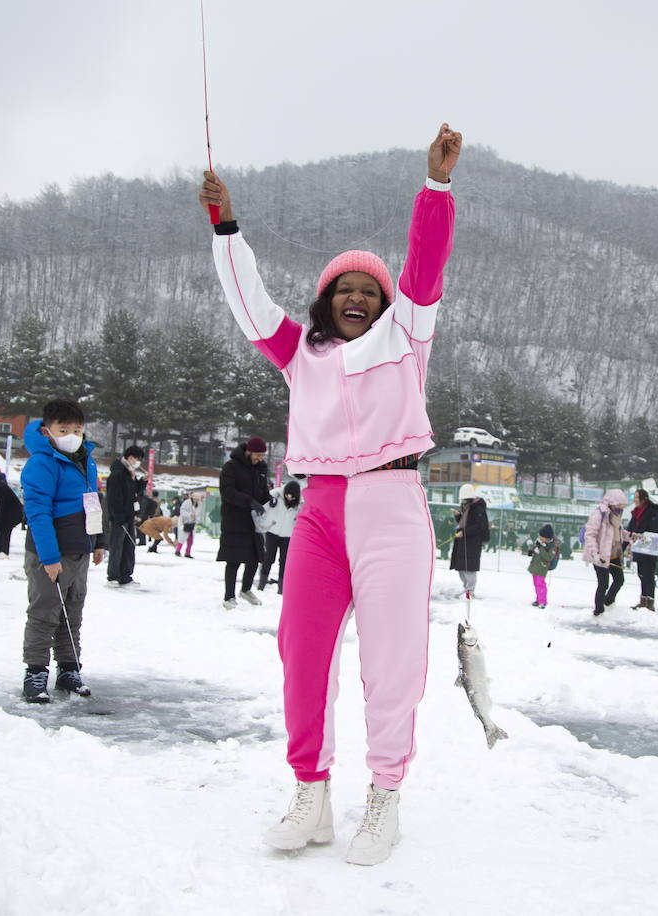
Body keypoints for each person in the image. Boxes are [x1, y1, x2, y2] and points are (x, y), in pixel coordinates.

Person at [200, 121, 461, 865]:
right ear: (325, 302)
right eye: (341, 289)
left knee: (392, 659)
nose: (353, 296)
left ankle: (384, 799)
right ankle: (311, 793)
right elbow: (249, 301)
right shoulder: (300, 353)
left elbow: (425, 266)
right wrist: (226, 227)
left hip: (391, 507)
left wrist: (435, 187)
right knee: (301, 651)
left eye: (366, 290)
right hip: (319, 510)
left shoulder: (407, 337)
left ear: (384, 303)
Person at [18, 399, 107, 703]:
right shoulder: (42, 463)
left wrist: (98, 540)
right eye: (64, 429)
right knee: (45, 612)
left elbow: (94, 501)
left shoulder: (87, 460)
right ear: (48, 431)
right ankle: (36, 671)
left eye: (77, 429)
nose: (71, 434)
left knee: (73, 612)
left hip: (80, 549)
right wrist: (49, 558)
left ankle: (69, 668)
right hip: (51, 553)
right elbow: (38, 513)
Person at [217, 437, 270, 608]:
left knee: (255, 557)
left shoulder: (261, 469)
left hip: (254, 521)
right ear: (248, 451)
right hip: (234, 519)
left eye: (262, 455)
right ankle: (229, 597)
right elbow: (227, 492)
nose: (260, 458)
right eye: (258, 455)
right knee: (233, 559)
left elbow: (262, 492)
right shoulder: (231, 467)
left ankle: (246, 589)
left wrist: (269, 499)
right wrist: (249, 501)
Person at [582, 489, 628, 616]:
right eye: (619, 506)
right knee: (603, 584)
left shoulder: (616, 516)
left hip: (614, 554)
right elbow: (590, 534)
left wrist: (633, 536)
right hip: (601, 556)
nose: (621, 509)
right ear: (612, 503)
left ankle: (608, 602)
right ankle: (598, 612)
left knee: (619, 580)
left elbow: (620, 532)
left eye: (622, 507)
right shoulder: (599, 514)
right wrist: (595, 553)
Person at [105, 445, 146, 586]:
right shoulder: (118, 473)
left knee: (129, 546)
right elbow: (114, 498)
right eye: (137, 458)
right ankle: (113, 576)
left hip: (129, 517)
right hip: (119, 518)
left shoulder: (130, 473)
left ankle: (126, 575)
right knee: (117, 546)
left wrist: (142, 483)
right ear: (130, 457)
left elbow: (132, 492)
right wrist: (119, 516)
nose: (138, 462)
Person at [257, 478, 303, 592]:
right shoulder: (275, 495)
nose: (289, 498)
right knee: (268, 558)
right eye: (288, 495)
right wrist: (263, 523)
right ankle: (261, 584)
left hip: (288, 535)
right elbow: (262, 506)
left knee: (284, 561)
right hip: (272, 531)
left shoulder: (300, 503)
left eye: (292, 497)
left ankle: (281, 588)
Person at [625, 489, 658, 611]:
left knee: (648, 575)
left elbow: (655, 531)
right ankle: (643, 600)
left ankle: (650, 601)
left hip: (650, 549)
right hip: (640, 549)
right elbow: (629, 531)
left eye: (637, 497)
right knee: (641, 574)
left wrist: (641, 535)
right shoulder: (636, 513)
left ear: (644, 499)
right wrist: (623, 546)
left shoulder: (653, 512)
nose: (635, 500)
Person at [450, 483, 490, 597]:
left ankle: (470, 590)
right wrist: (458, 516)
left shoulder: (478, 509)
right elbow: (465, 523)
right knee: (461, 567)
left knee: (469, 567)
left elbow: (479, 526)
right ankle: (466, 588)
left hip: (472, 542)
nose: (463, 502)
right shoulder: (467, 507)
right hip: (463, 541)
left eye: (464, 499)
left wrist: (464, 532)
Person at [526, 523, 560, 608]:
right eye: (540, 536)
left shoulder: (553, 546)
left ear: (548, 538)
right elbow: (535, 549)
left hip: (542, 567)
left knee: (540, 584)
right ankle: (538, 599)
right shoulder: (540, 542)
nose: (540, 538)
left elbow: (549, 557)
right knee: (536, 584)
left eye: (542, 537)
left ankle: (542, 601)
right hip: (535, 566)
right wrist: (532, 550)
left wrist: (540, 549)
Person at [174, 490, 204, 558]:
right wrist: (190, 515)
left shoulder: (199, 504)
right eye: (196, 499)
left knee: (191, 539)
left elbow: (199, 514)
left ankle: (188, 553)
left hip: (192, 523)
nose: (197, 500)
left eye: (198, 499)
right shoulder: (187, 502)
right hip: (184, 522)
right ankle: (178, 551)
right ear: (193, 498)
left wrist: (197, 520)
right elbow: (182, 511)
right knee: (182, 537)